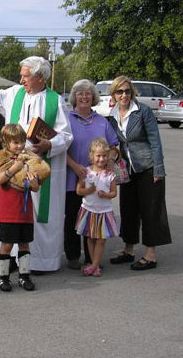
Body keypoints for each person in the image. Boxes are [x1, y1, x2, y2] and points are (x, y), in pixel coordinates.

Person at [0, 56, 73, 272]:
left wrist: (48, 144)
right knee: (15, 213)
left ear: (40, 77)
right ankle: (14, 259)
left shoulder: (55, 101)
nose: (21, 79)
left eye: (25, 75)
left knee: (41, 216)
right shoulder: (15, 94)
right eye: (22, 75)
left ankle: (42, 262)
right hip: (15, 167)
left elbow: (67, 135)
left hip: (41, 167)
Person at [106, 76, 171, 270]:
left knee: (150, 211)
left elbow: (155, 141)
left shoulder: (143, 111)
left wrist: (158, 168)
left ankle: (150, 254)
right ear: (114, 94)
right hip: (127, 171)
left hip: (147, 167)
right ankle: (129, 249)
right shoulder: (112, 114)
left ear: (131, 92)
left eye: (127, 91)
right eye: (120, 92)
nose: (124, 95)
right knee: (128, 209)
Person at [65, 80, 119, 270]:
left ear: (93, 97)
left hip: (98, 184)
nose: (84, 97)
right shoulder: (67, 119)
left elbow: (113, 146)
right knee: (72, 216)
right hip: (73, 178)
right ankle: (72, 256)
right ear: (74, 97)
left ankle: (92, 258)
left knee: (93, 219)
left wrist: (109, 162)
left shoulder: (102, 121)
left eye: (88, 93)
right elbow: (59, 148)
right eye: (80, 93)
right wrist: (74, 166)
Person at [0, 124, 40, 291]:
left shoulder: (29, 157)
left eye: (22, 141)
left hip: (25, 211)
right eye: (15, 142)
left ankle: (24, 275)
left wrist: (34, 183)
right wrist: (14, 168)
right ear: (6, 142)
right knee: (6, 245)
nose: (20, 146)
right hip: (8, 212)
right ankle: (3, 277)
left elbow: (36, 187)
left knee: (24, 244)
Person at [75, 138, 119, 277]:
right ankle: (95, 264)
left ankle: (94, 265)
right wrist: (89, 191)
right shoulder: (86, 172)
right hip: (89, 209)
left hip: (104, 211)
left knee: (101, 239)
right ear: (92, 156)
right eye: (98, 156)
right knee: (91, 237)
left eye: (104, 156)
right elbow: (78, 190)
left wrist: (106, 194)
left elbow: (114, 193)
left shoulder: (110, 175)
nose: (101, 159)